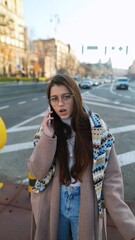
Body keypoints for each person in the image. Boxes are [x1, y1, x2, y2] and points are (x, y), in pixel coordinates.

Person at [28, 74, 135, 240]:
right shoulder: (47, 129)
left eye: (66, 97)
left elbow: (112, 178)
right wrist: (48, 137)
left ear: (76, 97)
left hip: (84, 203)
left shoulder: (97, 129)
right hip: (56, 201)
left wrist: (129, 228)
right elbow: (37, 173)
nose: (60, 104)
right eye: (54, 99)